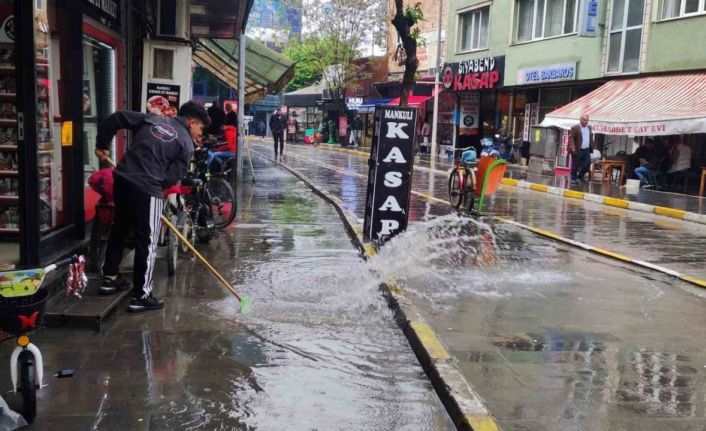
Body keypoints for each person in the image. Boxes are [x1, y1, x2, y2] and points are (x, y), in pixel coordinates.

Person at [94, 101, 210, 312]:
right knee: (146, 242)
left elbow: (118, 117)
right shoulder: (186, 143)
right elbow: (172, 177)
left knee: (119, 230)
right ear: (192, 122)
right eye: (200, 128)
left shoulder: (152, 119)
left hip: (122, 179)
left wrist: (102, 143)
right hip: (148, 188)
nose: (199, 133)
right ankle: (142, 295)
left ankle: (109, 278)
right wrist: (155, 186)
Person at [569, 114, 594, 185]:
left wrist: (592, 146)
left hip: (586, 149)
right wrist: (573, 147)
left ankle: (580, 177)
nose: (586, 122)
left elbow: (590, 137)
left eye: (587, 120)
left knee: (588, 163)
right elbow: (571, 138)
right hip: (578, 149)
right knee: (575, 165)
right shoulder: (575, 128)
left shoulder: (589, 128)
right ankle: (574, 179)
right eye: (585, 120)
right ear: (581, 120)